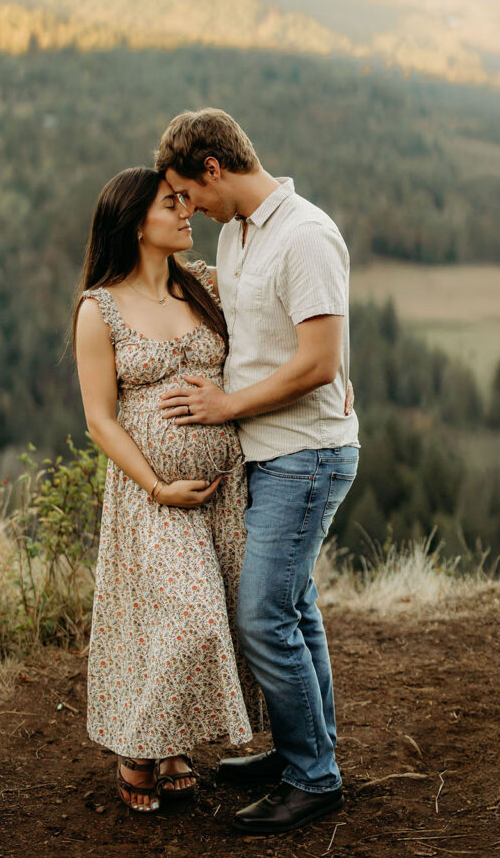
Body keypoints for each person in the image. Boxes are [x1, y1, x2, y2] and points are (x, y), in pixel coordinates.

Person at [155, 108, 360, 835]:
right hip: (273, 452)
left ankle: (314, 779)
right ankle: (302, 751)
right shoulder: (237, 233)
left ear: (215, 169)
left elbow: (318, 360)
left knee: (263, 615)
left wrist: (227, 406)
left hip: (304, 453)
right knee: (294, 609)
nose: (189, 206)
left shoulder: (305, 235)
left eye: (189, 191)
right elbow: (289, 339)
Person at [72, 166, 265, 815]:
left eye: (185, 201)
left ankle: (172, 742)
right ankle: (135, 747)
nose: (187, 213)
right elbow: (100, 418)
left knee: (229, 619)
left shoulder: (204, 285)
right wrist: (157, 485)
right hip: (153, 493)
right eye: (171, 204)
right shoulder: (99, 309)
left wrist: (332, 376)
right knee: (190, 620)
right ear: (134, 223)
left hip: (226, 490)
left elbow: (270, 340)